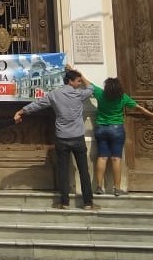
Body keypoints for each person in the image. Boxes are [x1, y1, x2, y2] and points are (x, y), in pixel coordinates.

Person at [14, 68, 97, 210]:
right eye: (77, 81)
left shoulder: (54, 94)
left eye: (79, 81)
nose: (79, 84)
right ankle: (88, 203)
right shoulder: (80, 94)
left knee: (63, 171)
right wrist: (81, 74)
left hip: (62, 138)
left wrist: (21, 111)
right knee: (83, 170)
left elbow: (37, 104)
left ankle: (64, 202)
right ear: (70, 81)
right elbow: (91, 87)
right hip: (77, 138)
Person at [81, 76, 153, 196]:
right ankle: (117, 188)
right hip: (117, 129)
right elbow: (139, 107)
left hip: (101, 128)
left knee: (102, 157)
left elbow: (88, 83)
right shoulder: (123, 97)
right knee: (116, 158)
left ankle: (99, 187)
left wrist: (76, 72)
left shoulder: (100, 94)